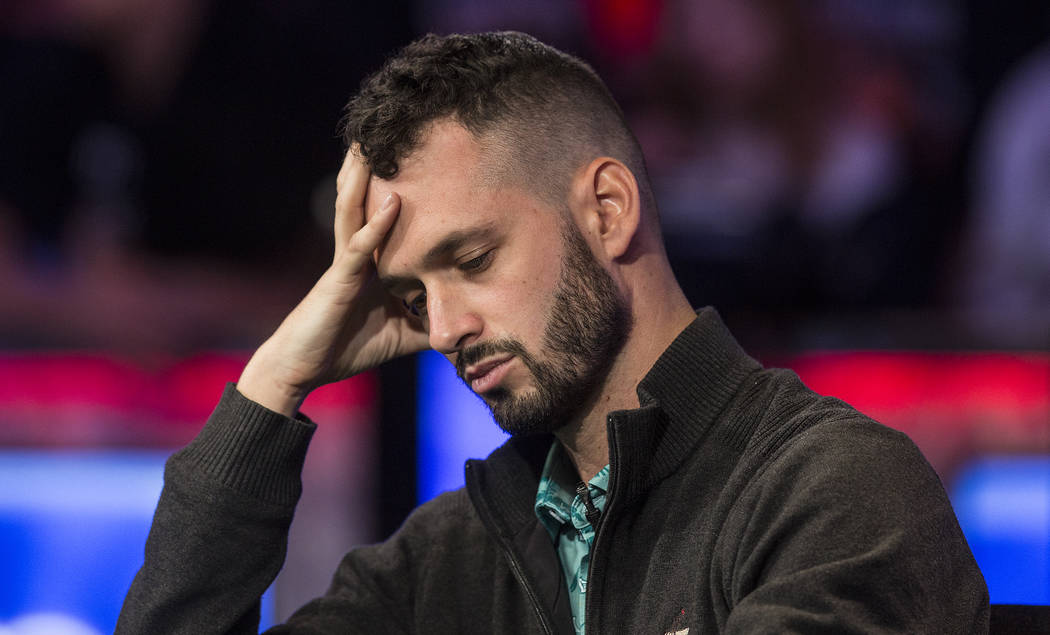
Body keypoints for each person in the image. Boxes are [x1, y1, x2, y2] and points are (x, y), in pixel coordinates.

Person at [117, 31, 988, 634]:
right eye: (414, 295)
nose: (447, 328)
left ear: (607, 210)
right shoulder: (445, 560)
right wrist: (271, 385)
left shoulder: (838, 492)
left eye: (474, 257)